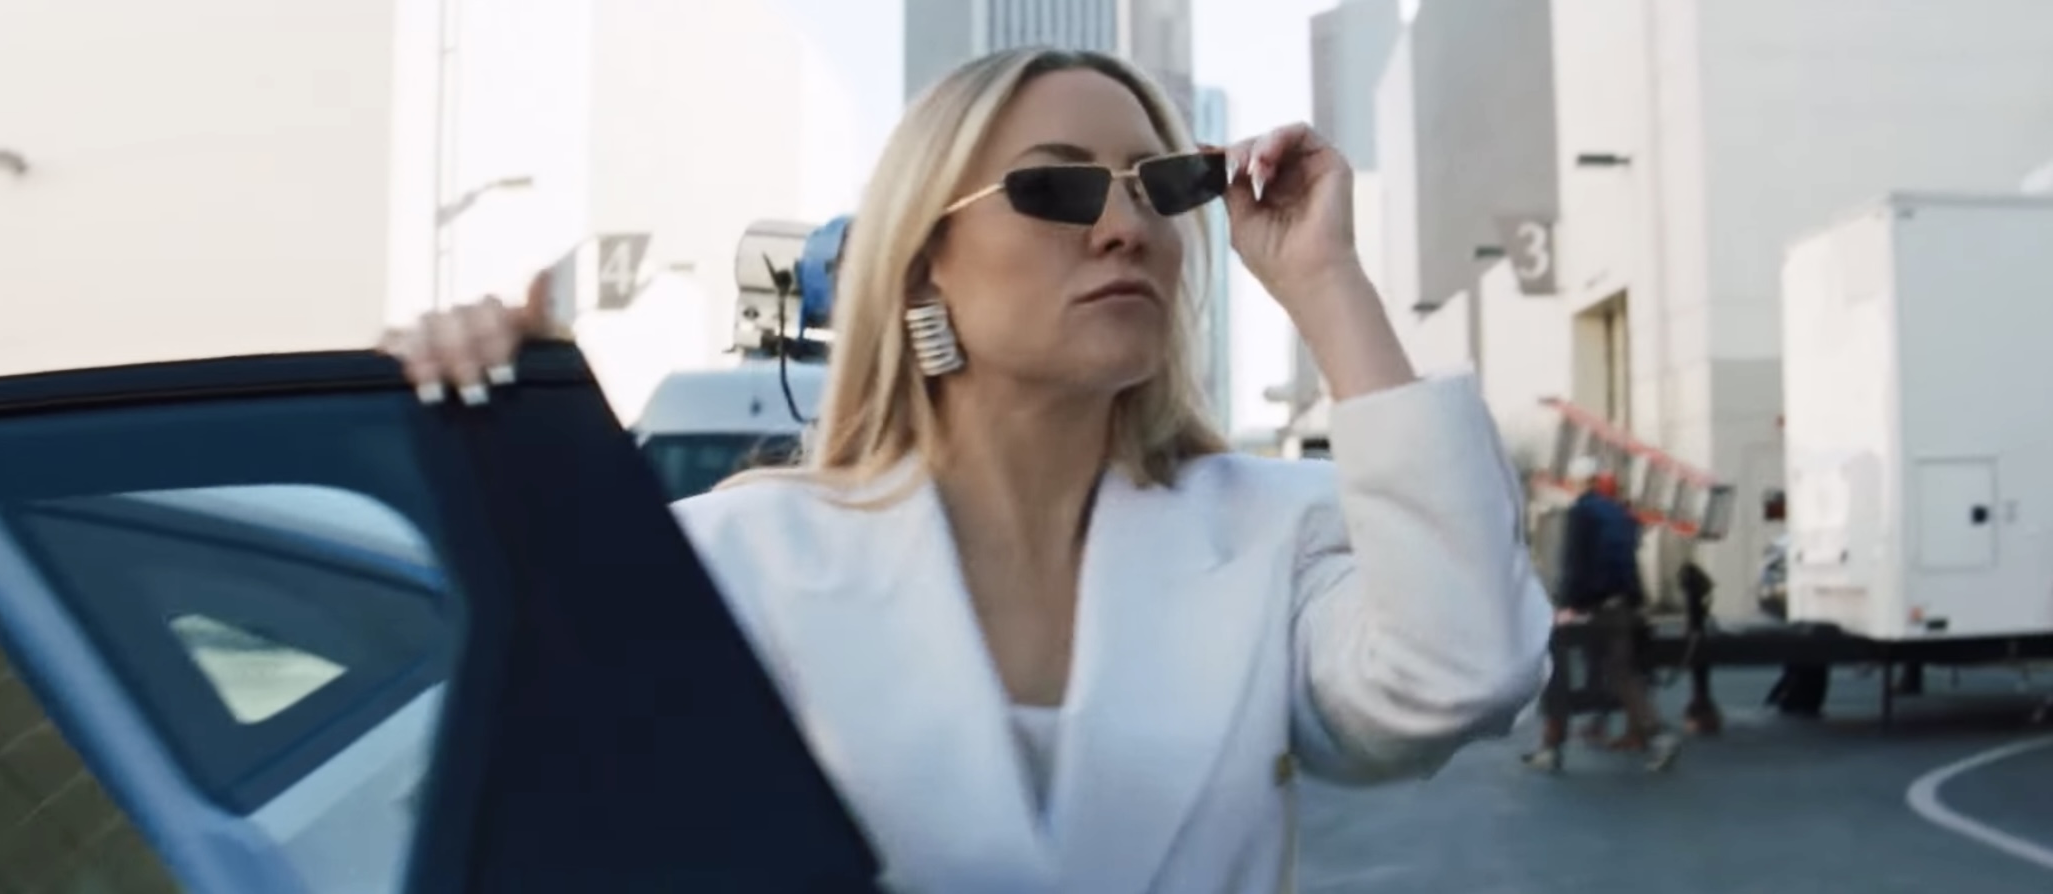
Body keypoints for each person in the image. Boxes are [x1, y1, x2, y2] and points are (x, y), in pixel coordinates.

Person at [385, 47, 1550, 894]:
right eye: (1056, 189)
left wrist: (1323, 283)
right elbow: (510, 799)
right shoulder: (734, 562)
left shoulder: (1268, 531)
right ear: (920, 261)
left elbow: (1460, 674)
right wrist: (469, 419)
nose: (1125, 228)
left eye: (1158, 186)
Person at [1523, 457, 1680, 773]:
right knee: (1622, 672)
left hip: (1592, 608)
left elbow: (1575, 563)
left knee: (1558, 671)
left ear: (1578, 482)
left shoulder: (1581, 514)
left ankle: (1551, 748)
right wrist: (1634, 600)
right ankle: (1658, 735)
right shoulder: (1622, 514)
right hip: (1622, 606)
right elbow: (1628, 562)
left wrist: (1569, 602)